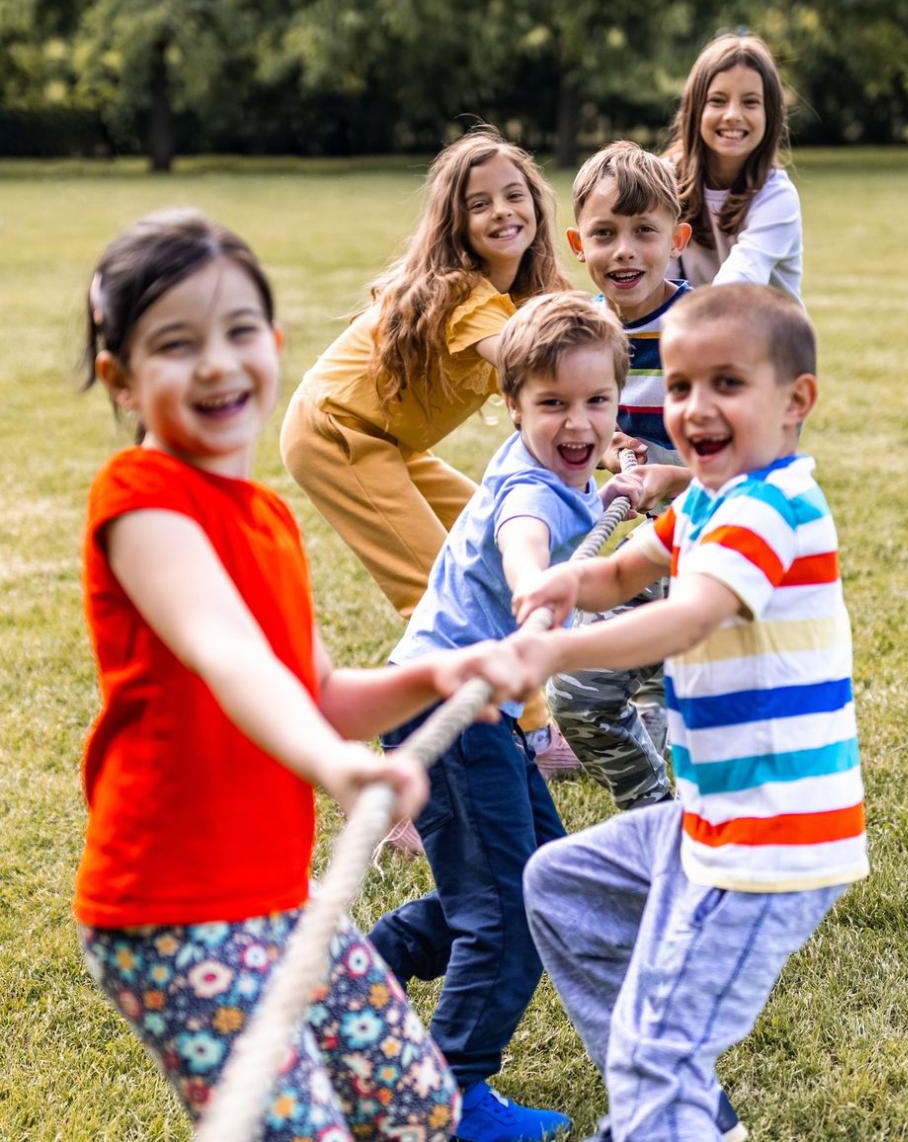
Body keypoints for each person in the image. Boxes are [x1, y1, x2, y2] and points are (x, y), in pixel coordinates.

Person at [74, 208, 524, 1142]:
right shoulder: (143, 506)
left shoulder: (269, 522)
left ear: (275, 344)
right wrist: (340, 767)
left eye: (240, 331)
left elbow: (322, 692)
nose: (217, 363)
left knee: (415, 1108)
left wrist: (447, 672)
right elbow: (229, 655)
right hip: (172, 917)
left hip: (278, 906)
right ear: (120, 379)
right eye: (175, 344)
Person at [504, 283, 868, 1142]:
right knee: (558, 885)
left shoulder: (772, 507)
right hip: (710, 821)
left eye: (727, 384)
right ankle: (678, 1111)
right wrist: (561, 583)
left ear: (795, 402)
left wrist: (558, 652)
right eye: (678, 387)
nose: (695, 408)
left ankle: (661, 1096)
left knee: (653, 1048)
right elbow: (624, 575)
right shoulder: (705, 500)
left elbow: (688, 614)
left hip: (769, 842)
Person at [368, 293, 647, 1142]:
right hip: (448, 712)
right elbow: (525, 538)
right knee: (511, 917)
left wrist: (621, 485)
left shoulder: (568, 472)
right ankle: (448, 1095)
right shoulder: (530, 491)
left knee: (526, 887)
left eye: (596, 402)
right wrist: (533, 585)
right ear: (512, 405)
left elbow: (577, 494)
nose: (577, 422)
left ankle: (358, 975)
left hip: (467, 710)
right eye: (552, 404)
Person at [280, 127, 577, 789]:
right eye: (480, 204)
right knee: (437, 594)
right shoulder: (466, 298)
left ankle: (534, 731)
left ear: (535, 202)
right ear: (456, 224)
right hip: (338, 435)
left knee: (491, 535)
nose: (502, 212)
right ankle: (416, 781)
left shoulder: (527, 295)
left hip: (391, 443)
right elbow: (540, 366)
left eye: (513, 195)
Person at [549, 141, 694, 810]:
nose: (625, 251)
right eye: (605, 234)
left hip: (708, 554)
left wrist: (675, 476)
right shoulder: (582, 335)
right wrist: (606, 449)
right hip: (636, 556)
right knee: (578, 695)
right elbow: (569, 425)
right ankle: (653, 817)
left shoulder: (701, 332)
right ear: (579, 243)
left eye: (645, 232)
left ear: (678, 238)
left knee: (687, 711)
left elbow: (756, 454)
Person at [666, 32, 803, 300]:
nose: (732, 115)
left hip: (767, 338)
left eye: (750, 102)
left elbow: (742, 278)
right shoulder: (664, 181)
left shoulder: (777, 196)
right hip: (686, 333)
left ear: (770, 115)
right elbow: (656, 281)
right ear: (695, 109)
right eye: (718, 100)